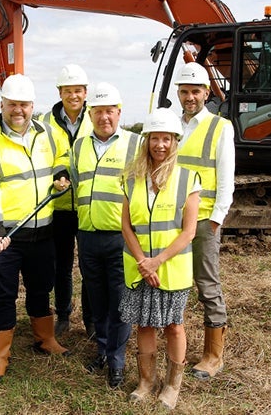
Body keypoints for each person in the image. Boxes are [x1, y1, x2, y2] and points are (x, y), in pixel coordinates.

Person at [0, 73, 71, 384]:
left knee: (42, 286)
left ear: (32, 106)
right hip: (8, 235)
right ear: (2, 104)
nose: (19, 111)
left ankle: (45, 339)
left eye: (24, 105)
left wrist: (61, 172)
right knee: (4, 294)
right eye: (12, 105)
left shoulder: (47, 132)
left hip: (43, 229)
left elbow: (62, 155)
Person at [119, 107, 201, 410]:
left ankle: (172, 385)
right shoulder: (132, 178)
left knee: (174, 326)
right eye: (155, 138)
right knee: (144, 325)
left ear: (175, 141)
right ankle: (146, 381)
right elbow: (126, 225)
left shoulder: (187, 178)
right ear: (147, 141)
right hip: (140, 268)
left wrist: (157, 261)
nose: (160, 145)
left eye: (166, 139)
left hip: (172, 269)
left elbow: (189, 231)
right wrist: (143, 261)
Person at [70, 83, 141, 389]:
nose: (104, 118)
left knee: (120, 302)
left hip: (120, 238)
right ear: (90, 114)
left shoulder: (135, 144)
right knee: (97, 300)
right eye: (97, 112)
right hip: (87, 235)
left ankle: (117, 362)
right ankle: (102, 349)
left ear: (119, 113)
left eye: (109, 111)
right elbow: (75, 184)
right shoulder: (79, 146)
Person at [174, 62, 235, 380]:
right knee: (177, 283)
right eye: (184, 91)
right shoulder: (173, 126)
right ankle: (177, 347)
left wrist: (215, 220)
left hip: (203, 222)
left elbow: (227, 180)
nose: (189, 97)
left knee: (207, 286)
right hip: (173, 220)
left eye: (195, 91)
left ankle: (213, 355)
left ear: (206, 93)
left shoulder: (219, 127)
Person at [41, 64, 95, 336]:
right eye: (67, 91)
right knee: (60, 265)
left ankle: (91, 320)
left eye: (78, 90)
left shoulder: (95, 117)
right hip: (59, 206)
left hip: (88, 205)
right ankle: (63, 314)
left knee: (88, 266)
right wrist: (58, 173)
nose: (73, 95)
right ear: (59, 92)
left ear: (86, 92)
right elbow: (43, 156)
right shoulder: (44, 122)